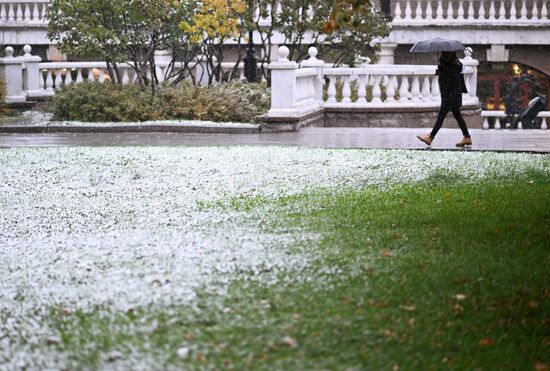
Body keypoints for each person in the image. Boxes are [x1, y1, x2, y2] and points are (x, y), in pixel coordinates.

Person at [417, 51, 472, 147]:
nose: (441, 54)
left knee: (441, 117)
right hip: (453, 96)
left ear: (447, 54)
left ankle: (430, 137)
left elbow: (450, 81)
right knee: (457, 116)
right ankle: (467, 137)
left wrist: (442, 70)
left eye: (443, 53)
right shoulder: (454, 64)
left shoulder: (452, 65)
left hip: (450, 96)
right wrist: (440, 71)